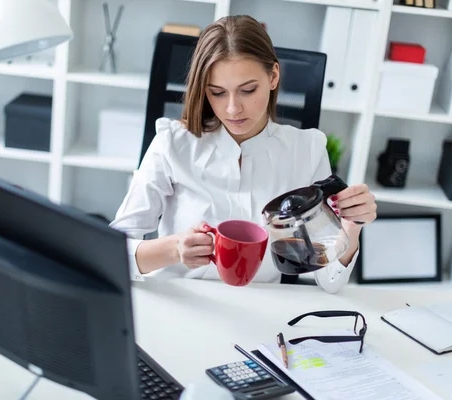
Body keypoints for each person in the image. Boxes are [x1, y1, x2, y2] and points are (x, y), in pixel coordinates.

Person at [109, 15, 377, 294]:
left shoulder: (307, 150)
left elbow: (330, 281)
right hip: (180, 304)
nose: (232, 109)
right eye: (217, 93)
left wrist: (350, 227)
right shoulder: (172, 143)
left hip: (259, 315)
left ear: (273, 76)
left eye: (248, 90)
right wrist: (173, 249)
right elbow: (113, 252)